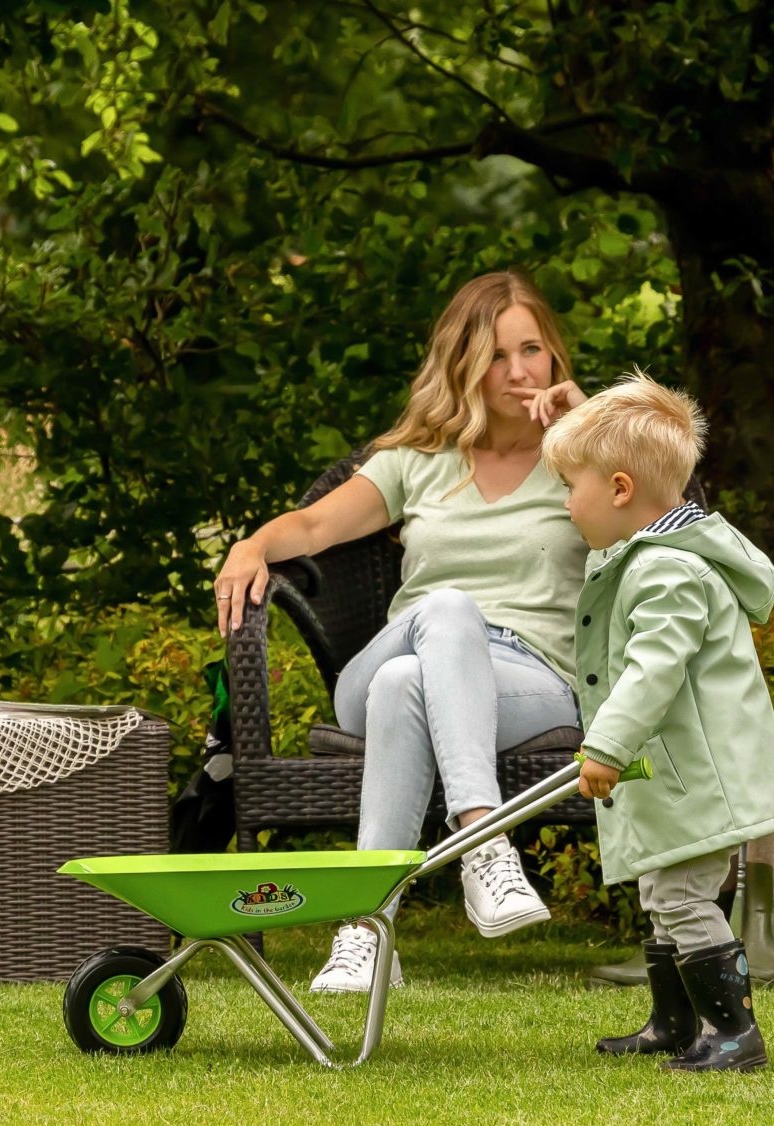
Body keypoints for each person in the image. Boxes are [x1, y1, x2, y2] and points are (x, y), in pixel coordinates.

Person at [213, 271, 589, 993]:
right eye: (497, 354)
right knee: (445, 615)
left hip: (532, 682)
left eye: (532, 350)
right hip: (414, 637)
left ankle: (365, 929)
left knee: (403, 686)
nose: (518, 371)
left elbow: (657, 500)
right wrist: (251, 545)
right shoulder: (417, 460)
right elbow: (316, 526)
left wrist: (592, 420)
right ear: (464, 366)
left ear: (554, 358)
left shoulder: (581, 458)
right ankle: (484, 841)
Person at [541, 373, 774, 1072]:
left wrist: (608, 744)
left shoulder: (669, 573)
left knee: (680, 895)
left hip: (701, 778)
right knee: (663, 889)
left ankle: (734, 1033)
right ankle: (674, 1023)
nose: (566, 504)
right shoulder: (649, 563)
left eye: (570, 485)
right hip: (678, 774)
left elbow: (653, 670)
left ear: (620, 490)